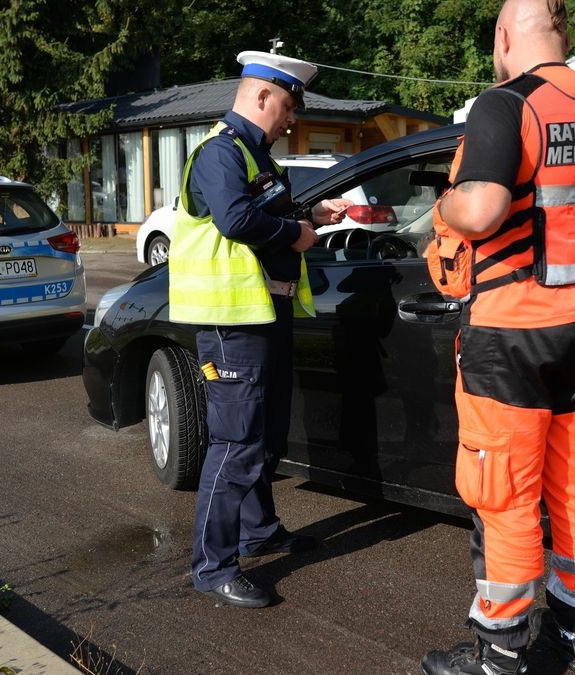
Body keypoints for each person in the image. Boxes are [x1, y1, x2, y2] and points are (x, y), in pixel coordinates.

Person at [420, 1, 575, 673]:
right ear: (563, 33)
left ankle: (499, 655)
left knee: (503, 493)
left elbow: (484, 209)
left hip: (513, 335)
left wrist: (441, 205)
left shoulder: (507, 104)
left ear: (505, 37)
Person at [167, 50, 353, 609]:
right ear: (262, 96)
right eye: (289, 106)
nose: (292, 118)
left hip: (262, 317)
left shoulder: (256, 155)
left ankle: (259, 529)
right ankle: (213, 565)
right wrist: (296, 233)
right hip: (231, 323)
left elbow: (266, 211)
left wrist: (314, 219)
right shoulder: (221, 151)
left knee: (265, 436)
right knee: (236, 443)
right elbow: (237, 220)